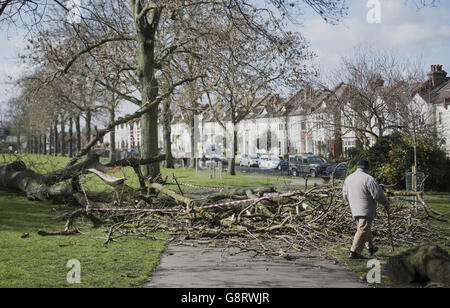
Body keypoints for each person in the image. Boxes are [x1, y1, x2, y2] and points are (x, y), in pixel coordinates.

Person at [343, 160, 390, 259]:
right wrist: (386, 203)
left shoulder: (349, 178)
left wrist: (351, 203)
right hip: (366, 208)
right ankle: (354, 252)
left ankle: (370, 248)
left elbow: (345, 195)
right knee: (363, 229)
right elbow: (377, 194)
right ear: (366, 168)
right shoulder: (368, 178)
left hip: (354, 208)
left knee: (364, 229)